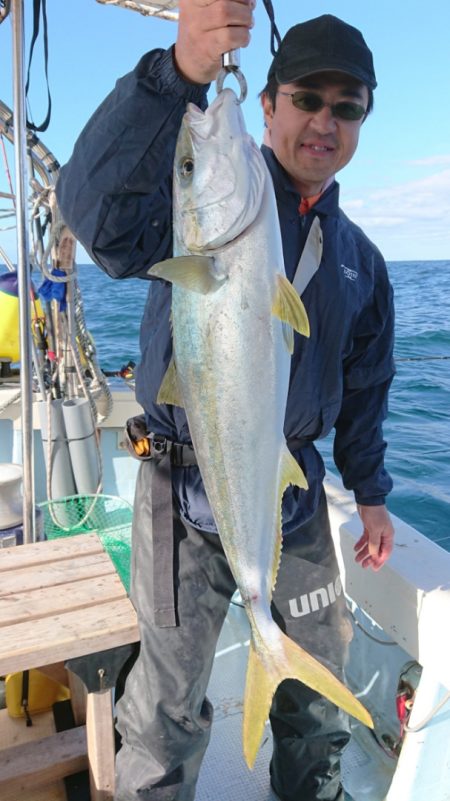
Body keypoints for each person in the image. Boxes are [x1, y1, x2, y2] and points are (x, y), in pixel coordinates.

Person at [56, 4, 395, 800]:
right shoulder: (190, 224)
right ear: (269, 103)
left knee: (317, 698)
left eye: (347, 108)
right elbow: (91, 206)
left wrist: (372, 492)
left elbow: (370, 385)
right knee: (165, 710)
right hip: (180, 487)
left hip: (293, 495)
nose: (325, 121)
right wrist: (179, 71)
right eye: (308, 98)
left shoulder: (362, 262)